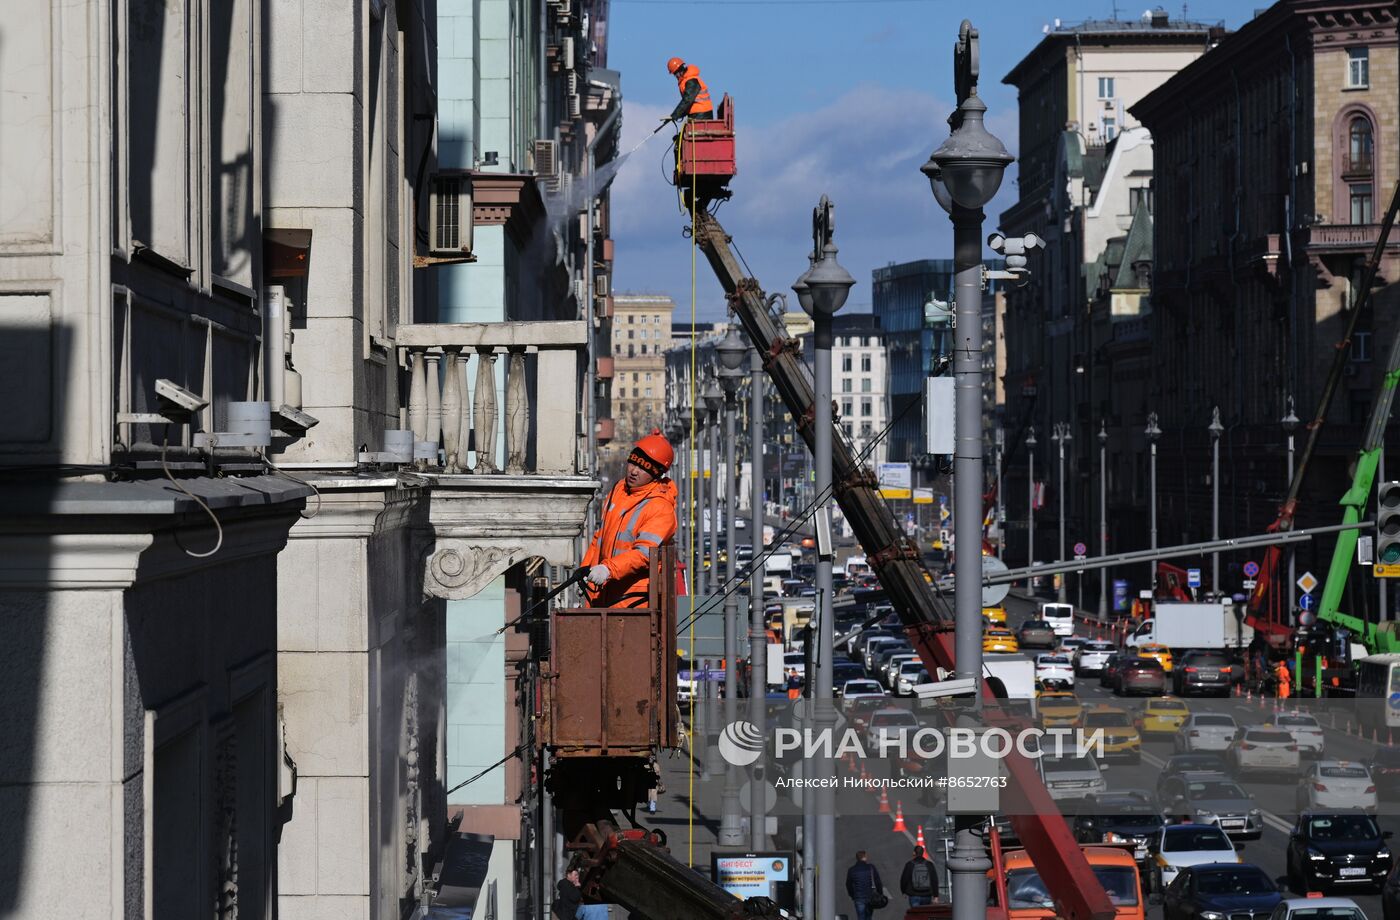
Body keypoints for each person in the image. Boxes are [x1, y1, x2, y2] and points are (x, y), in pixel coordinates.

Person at [580, 430, 678, 608]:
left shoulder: (661, 508)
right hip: (603, 595)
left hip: (633, 603)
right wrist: (585, 570)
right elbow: (600, 538)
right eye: (633, 463)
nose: (634, 471)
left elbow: (644, 554)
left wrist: (608, 569)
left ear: (656, 474)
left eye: (643, 468)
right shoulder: (619, 490)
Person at [664, 57, 714, 124]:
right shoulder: (686, 80)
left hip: (701, 115)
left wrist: (675, 115)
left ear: (680, 70)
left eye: (675, 73)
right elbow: (688, 103)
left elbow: (687, 100)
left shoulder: (692, 81)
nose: (675, 76)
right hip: (697, 114)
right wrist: (676, 115)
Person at [845, 850, 884, 920]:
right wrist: (880, 893)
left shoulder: (851, 870)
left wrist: (852, 895)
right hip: (870, 897)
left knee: (861, 917)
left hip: (858, 897)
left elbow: (848, 884)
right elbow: (878, 881)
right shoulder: (871, 867)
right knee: (868, 916)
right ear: (864, 857)